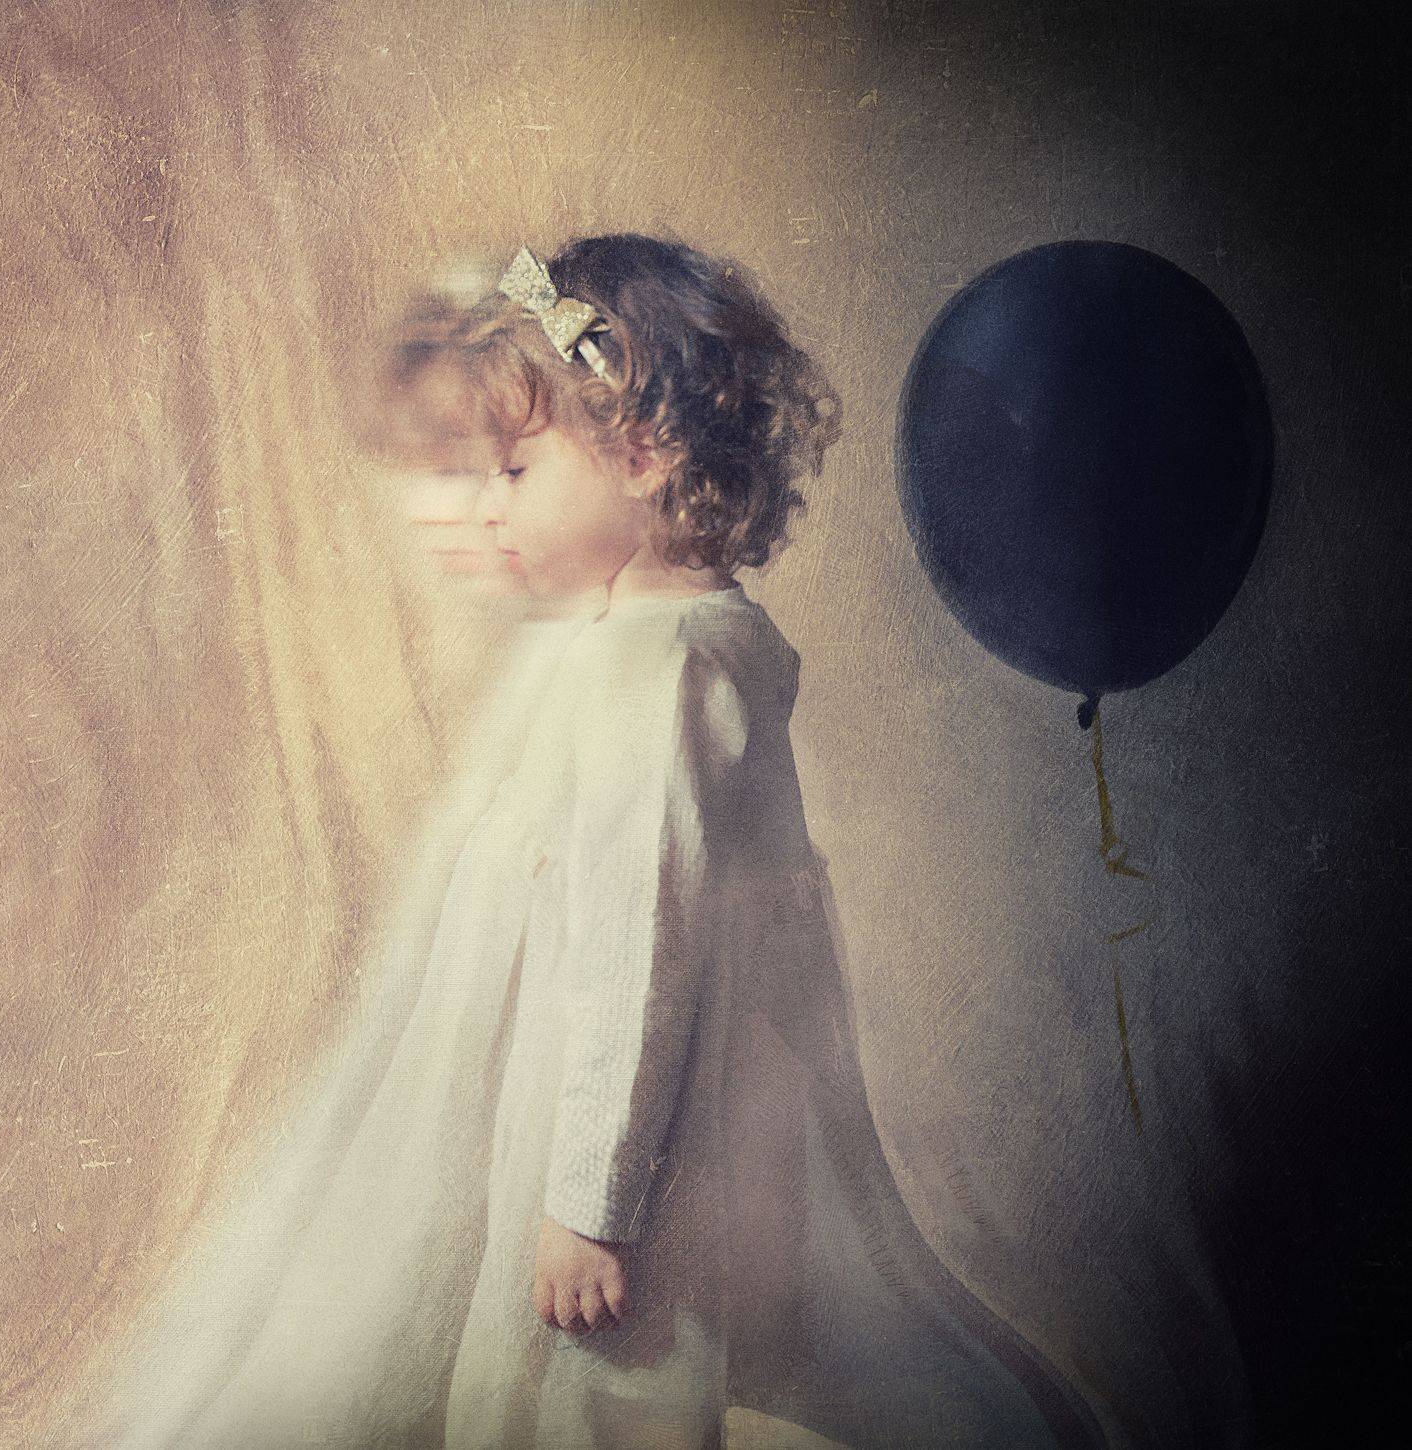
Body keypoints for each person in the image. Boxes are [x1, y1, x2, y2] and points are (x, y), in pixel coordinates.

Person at [64, 234, 1107, 1448]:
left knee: (593, 1375)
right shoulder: (673, 637)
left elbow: (637, 941)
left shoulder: (655, 669)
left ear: (644, 454)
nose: (490, 505)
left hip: (625, 1117)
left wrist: (590, 1203)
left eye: (516, 468)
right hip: (651, 1087)